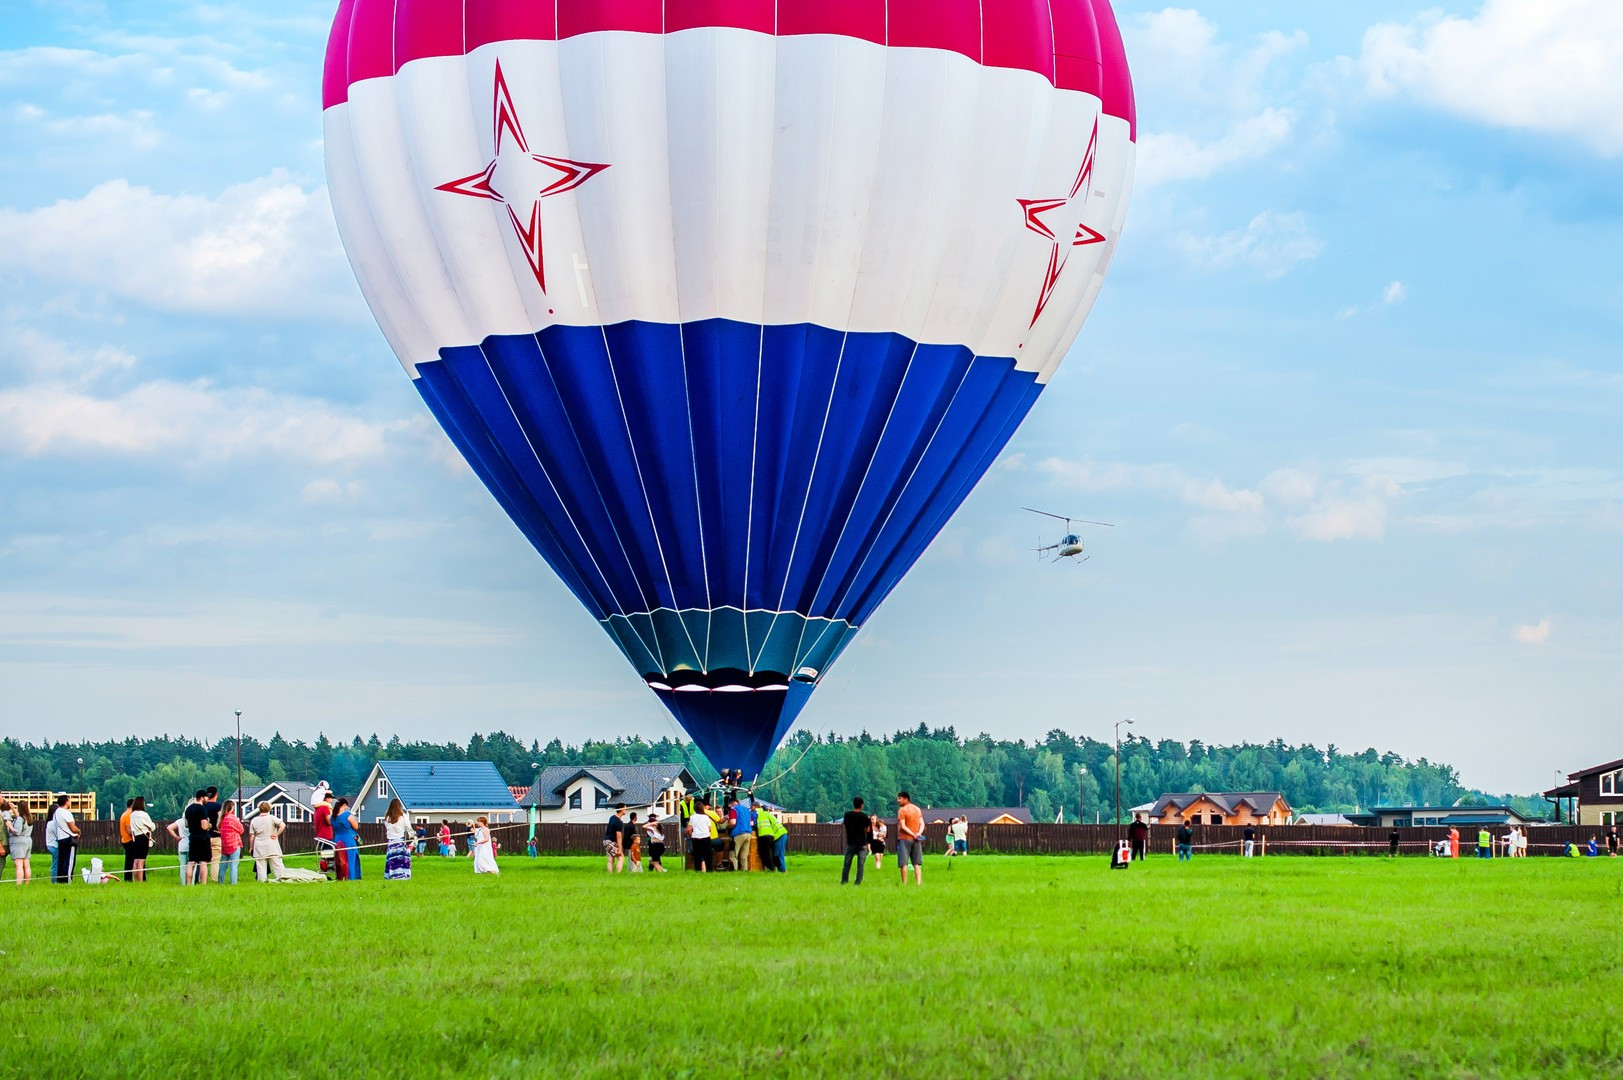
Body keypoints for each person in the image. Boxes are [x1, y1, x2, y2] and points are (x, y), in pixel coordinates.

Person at [249, 802, 286, 881]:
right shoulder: (272, 818)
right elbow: (282, 825)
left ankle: (262, 881)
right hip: (271, 844)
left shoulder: (254, 820)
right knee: (277, 865)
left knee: (261, 867)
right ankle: (282, 879)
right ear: (269, 809)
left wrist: (251, 847)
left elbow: (252, 836)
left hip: (259, 845)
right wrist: (277, 834)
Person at [184, 788, 214, 886]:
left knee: (191, 862)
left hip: (192, 837)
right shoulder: (202, 809)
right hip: (202, 838)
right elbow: (204, 826)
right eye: (206, 797)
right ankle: (203, 884)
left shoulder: (188, 809)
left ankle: (188, 884)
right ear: (202, 798)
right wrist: (210, 824)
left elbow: (186, 824)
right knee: (203, 862)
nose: (207, 799)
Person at [49, 794, 80, 885]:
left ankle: (60, 880)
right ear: (66, 802)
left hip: (60, 839)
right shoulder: (66, 813)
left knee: (61, 860)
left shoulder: (56, 813)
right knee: (69, 861)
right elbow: (72, 828)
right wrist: (79, 831)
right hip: (68, 839)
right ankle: (67, 880)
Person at [840, 797, 871, 885]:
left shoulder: (847, 815)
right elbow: (868, 830)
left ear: (853, 804)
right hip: (862, 843)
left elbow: (846, 825)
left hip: (851, 842)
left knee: (847, 863)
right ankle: (858, 882)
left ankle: (844, 881)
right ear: (862, 805)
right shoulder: (864, 816)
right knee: (860, 865)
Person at [896, 791, 925, 886]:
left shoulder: (902, 810)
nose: (898, 800)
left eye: (900, 798)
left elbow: (903, 826)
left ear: (906, 799)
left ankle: (904, 884)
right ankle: (918, 883)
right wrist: (918, 833)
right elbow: (922, 823)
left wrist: (912, 834)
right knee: (916, 863)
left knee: (903, 863)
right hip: (916, 839)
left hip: (904, 839)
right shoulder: (917, 809)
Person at [384, 797, 414, 881]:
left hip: (391, 843)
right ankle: (402, 875)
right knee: (401, 859)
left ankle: (392, 875)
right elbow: (408, 827)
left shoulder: (387, 817)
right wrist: (413, 836)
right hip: (400, 842)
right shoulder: (403, 816)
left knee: (392, 859)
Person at [127, 796, 155, 882]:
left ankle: (136, 879)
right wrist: (152, 826)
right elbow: (151, 826)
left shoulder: (132, 815)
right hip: (143, 837)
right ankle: (140, 880)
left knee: (136, 860)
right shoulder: (144, 814)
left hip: (136, 837)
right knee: (141, 861)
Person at [332, 798, 361, 880]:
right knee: (350, 859)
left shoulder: (332, 817)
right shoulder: (347, 815)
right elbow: (356, 826)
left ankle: (340, 876)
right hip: (348, 839)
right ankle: (352, 877)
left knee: (340, 860)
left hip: (337, 839)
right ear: (344, 805)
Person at [313, 788, 338, 879]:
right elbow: (329, 821)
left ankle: (324, 873)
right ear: (326, 799)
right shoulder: (325, 808)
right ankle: (326, 873)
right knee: (329, 856)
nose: (331, 800)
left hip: (320, 835)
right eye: (330, 798)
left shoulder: (317, 809)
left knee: (324, 856)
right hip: (326, 835)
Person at [216, 801, 244, 884]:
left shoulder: (222, 819)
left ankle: (221, 882)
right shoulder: (233, 818)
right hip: (234, 843)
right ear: (231, 807)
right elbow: (241, 830)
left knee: (223, 865)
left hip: (225, 844)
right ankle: (233, 883)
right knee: (233, 865)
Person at [755, 804, 788, 873]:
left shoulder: (763, 815)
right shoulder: (768, 815)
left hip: (779, 835)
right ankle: (780, 869)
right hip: (779, 834)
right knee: (776, 854)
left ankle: (783, 870)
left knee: (778, 854)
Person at [167, 797, 193, 886]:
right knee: (191, 866)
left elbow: (169, 827)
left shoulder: (180, 821)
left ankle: (183, 883)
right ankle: (191, 883)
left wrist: (176, 837)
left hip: (182, 845)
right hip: (191, 844)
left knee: (183, 867)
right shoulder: (193, 821)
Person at [686, 798, 715, 872]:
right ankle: (709, 870)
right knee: (708, 855)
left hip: (696, 838)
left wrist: (691, 835)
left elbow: (689, 828)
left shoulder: (692, 817)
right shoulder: (706, 817)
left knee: (697, 855)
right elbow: (710, 828)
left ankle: (698, 869)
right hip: (705, 837)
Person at [727, 797, 755, 872]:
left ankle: (734, 871)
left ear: (731, 804)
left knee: (733, 855)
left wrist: (727, 827)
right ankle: (744, 871)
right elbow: (751, 823)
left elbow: (733, 822)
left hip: (738, 834)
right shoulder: (747, 810)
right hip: (748, 834)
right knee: (743, 856)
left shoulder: (733, 810)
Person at [203, 786, 223, 883]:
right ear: (216, 795)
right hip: (216, 835)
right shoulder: (219, 806)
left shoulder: (202, 806)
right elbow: (221, 818)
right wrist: (220, 829)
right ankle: (214, 879)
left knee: (203, 860)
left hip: (204, 836)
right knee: (215, 860)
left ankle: (202, 879)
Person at [6, 804, 31, 884]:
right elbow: (19, 817)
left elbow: (17, 832)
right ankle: (27, 883)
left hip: (18, 843)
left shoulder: (20, 819)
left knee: (18, 865)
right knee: (26, 865)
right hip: (27, 841)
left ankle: (18, 884)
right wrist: (13, 808)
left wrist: (10, 825)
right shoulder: (28, 818)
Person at [603, 804, 626, 873]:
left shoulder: (612, 817)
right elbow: (618, 836)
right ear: (621, 810)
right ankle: (617, 874)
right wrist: (620, 849)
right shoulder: (618, 822)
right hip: (611, 842)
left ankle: (610, 875)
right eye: (625, 808)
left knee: (611, 859)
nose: (626, 810)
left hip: (606, 841)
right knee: (621, 858)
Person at [119, 798, 135, 881]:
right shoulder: (129, 815)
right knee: (132, 861)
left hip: (124, 840)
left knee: (128, 860)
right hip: (129, 840)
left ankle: (127, 878)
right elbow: (129, 830)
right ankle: (129, 878)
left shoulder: (124, 814)